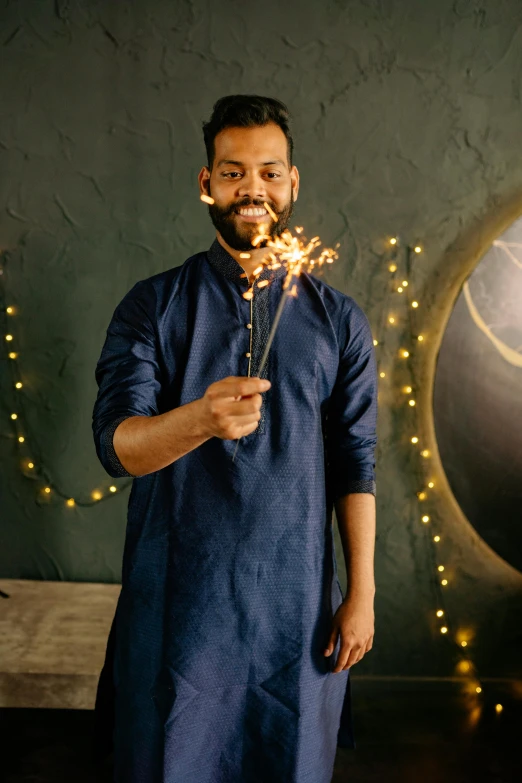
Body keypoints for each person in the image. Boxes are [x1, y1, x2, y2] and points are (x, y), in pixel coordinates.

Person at [92, 94, 377, 783]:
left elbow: (354, 460)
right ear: (206, 183)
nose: (254, 190)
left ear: (293, 181)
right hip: (177, 617)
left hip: (294, 615)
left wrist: (361, 592)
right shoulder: (152, 305)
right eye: (233, 172)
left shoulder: (338, 319)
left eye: (270, 173)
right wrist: (199, 419)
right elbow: (116, 445)